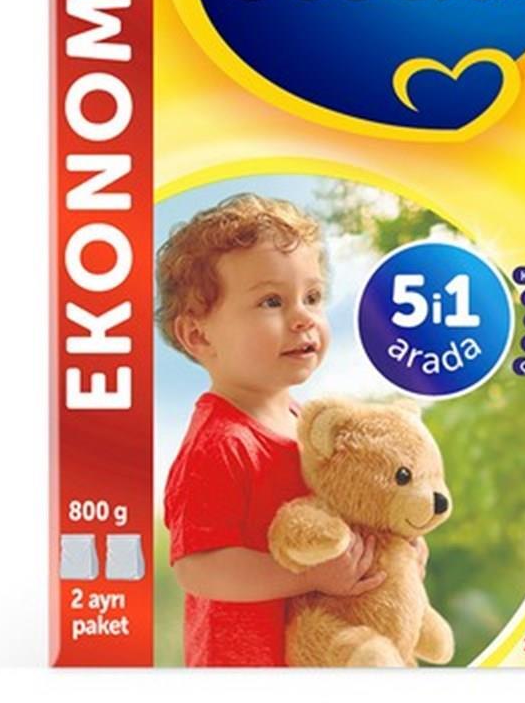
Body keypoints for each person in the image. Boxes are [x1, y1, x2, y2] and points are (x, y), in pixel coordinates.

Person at [157, 193, 386, 666]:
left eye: (313, 297)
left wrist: (390, 551)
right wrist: (309, 577)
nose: (303, 317)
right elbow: (198, 568)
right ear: (198, 335)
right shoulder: (219, 444)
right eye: (271, 301)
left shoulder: (309, 427)